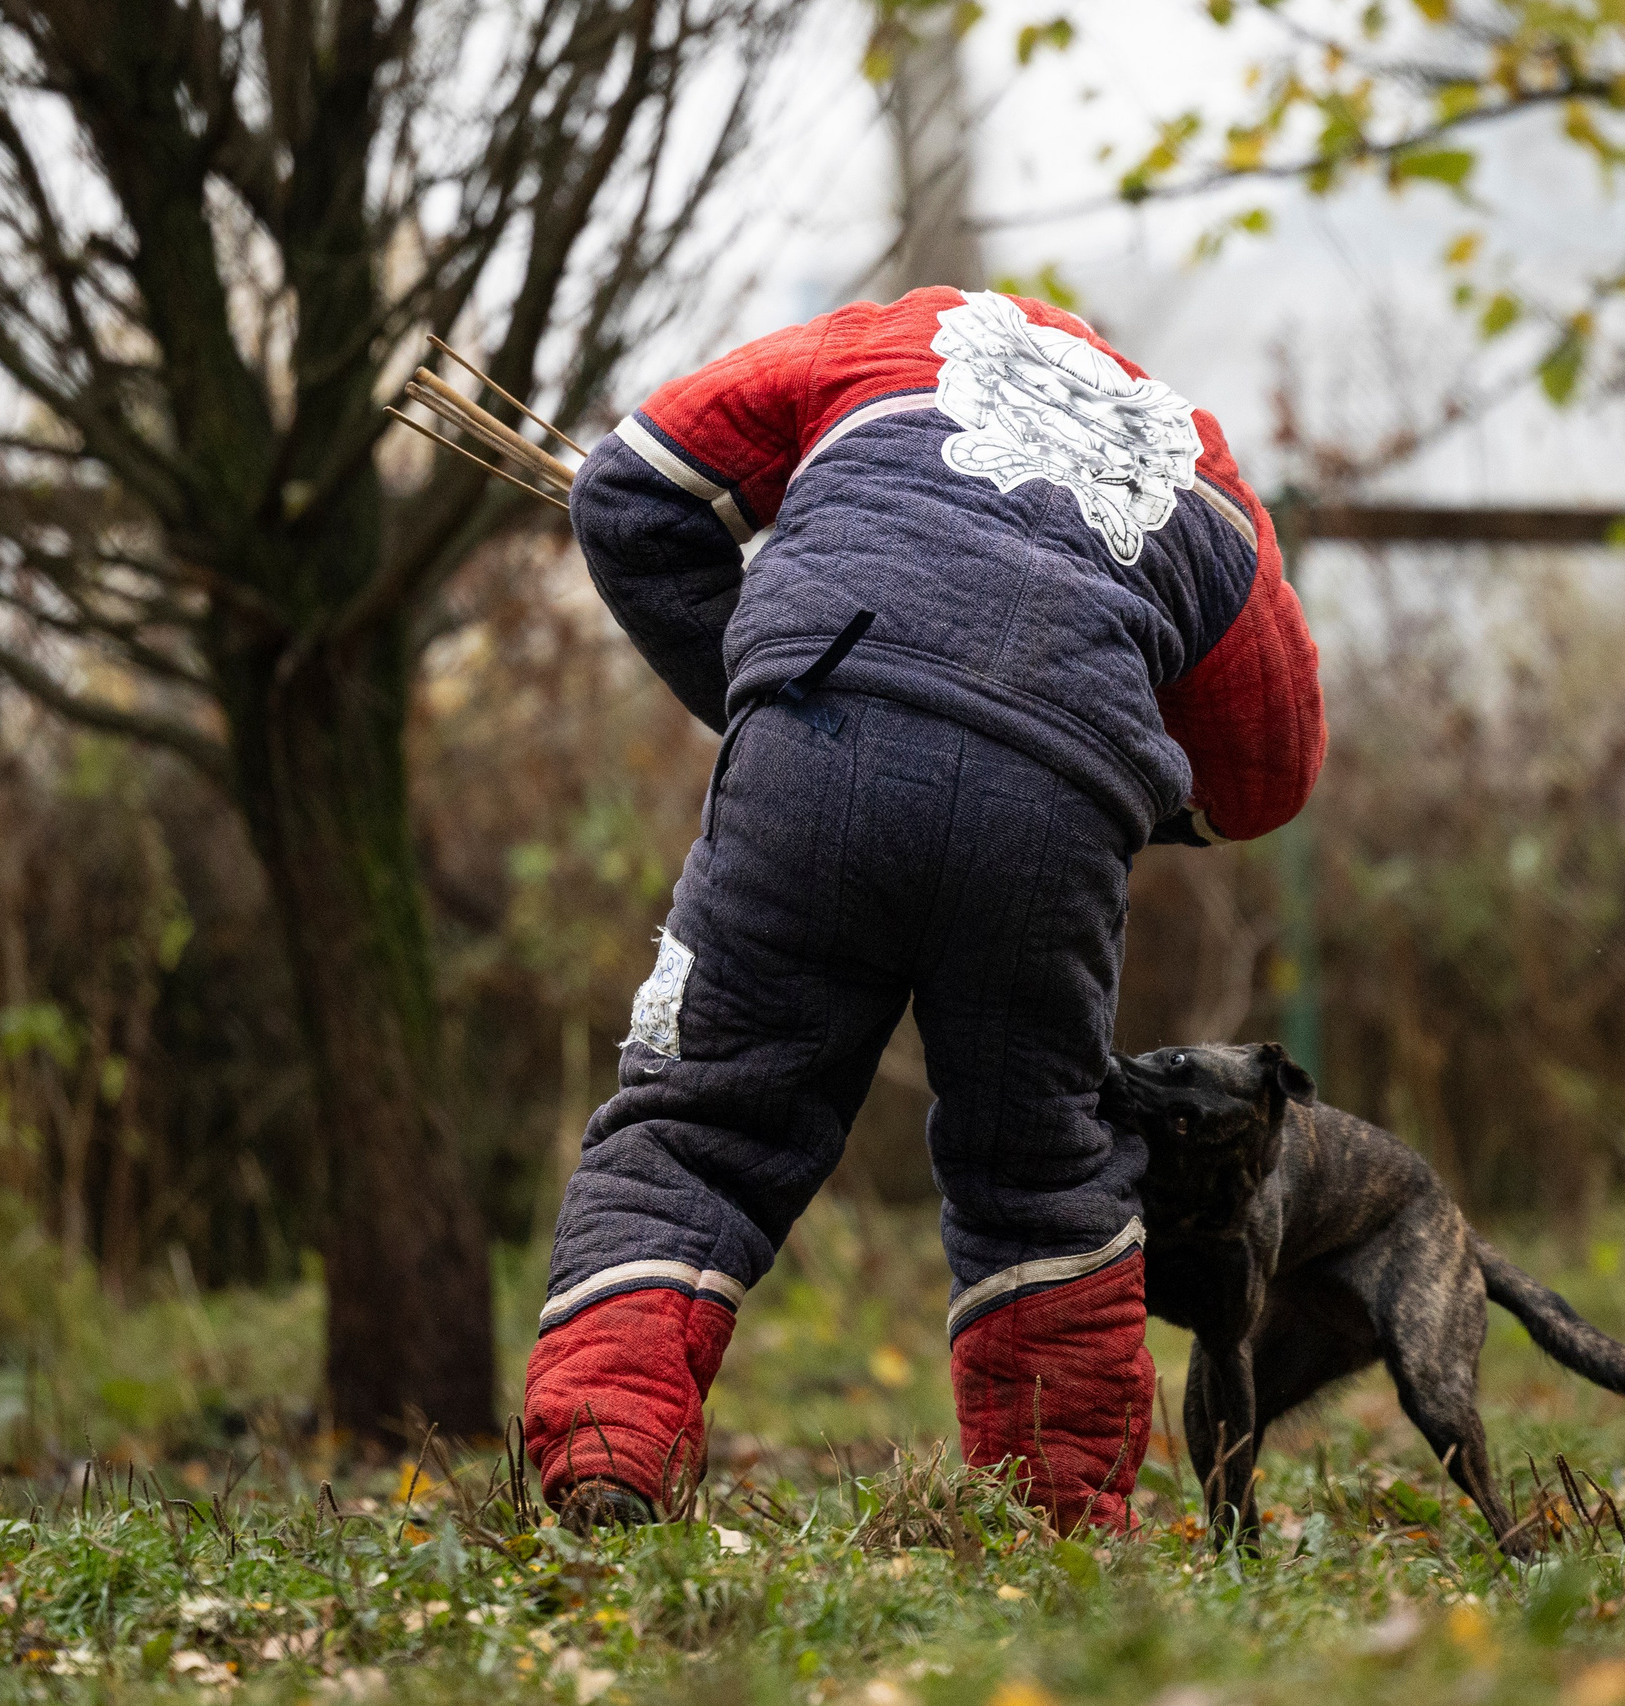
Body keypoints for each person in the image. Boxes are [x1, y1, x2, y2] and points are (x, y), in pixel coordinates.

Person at [523, 286, 1325, 1534]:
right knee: (1040, 1162)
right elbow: (1274, 768)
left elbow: (628, 487)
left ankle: (604, 1456)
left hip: (818, 726)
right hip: (1053, 808)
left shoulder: (893, 338)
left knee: (697, 1120)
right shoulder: (1198, 471)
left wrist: (759, 687)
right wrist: (1123, 791)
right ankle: (1055, 1522)